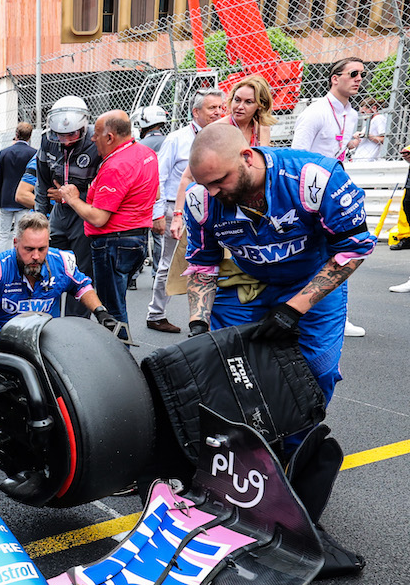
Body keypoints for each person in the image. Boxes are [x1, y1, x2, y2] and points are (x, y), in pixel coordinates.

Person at [182, 123, 375, 404]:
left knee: (317, 370)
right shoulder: (200, 201)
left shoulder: (314, 178)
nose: (212, 192)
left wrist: (294, 309)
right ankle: (241, 435)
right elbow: (202, 267)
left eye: (220, 181)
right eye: (205, 184)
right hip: (247, 279)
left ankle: (298, 444)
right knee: (224, 362)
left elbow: (353, 249)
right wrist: (198, 324)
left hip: (310, 276)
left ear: (247, 157)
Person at [57, 110, 158, 335]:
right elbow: (156, 193)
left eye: (97, 135)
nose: (93, 139)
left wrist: (72, 199)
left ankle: (121, 359)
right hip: (136, 239)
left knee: (112, 310)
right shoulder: (146, 153)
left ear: (110, 137)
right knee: (117, 303)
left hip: (113, 242)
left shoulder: (116, 165)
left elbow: (98, 217)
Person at [292, 57, 367, 338]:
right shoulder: (315, 113)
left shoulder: (352, 114)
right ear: (335, 78)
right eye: (353, 73)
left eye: (362, 74)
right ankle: (302, 311)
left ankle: (336, 315)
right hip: (310, 195)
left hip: (334, 194)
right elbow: (298, 156)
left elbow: (337, 150)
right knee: (312, 255)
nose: (359, 78)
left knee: (342, 253)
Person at [0, 212, 120, 342]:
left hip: (45, 335)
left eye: (42, 249)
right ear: (15, 243)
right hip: (0, 333)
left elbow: (82, 286)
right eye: (29, 249)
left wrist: (101, 312)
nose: (36, 256)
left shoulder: (62, 262)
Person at [150, 88, 228, 334]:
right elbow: (159, 177)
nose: (218, 112)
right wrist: (159, 213)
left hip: (215, 206)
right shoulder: (177, 139)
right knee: (170, 263)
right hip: (179, 208)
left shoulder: (226, 135)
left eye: (220, 107)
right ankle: (156, 314)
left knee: (216, 263)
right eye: (211, 108)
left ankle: (208, 318)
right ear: (196, 112)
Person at [16, 95, 101, 316]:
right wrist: (39, 221)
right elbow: (42, 185)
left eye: (71, 135)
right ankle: (43, 318)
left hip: (83, 214)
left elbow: (103, 185)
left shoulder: (95, 140)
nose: (65, 140)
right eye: (60, 135)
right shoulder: (47, 140)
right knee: (46, 265)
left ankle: (75, 325)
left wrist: (74, 195)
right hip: (58, 214)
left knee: (80, 272)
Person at [134, 104, 170, 294]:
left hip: (142, 197)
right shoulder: (170, 141)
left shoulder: (139, 146)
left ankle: (132, 276)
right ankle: (158, 273)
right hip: (163, 197)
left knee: (140, 236)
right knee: (159, 239)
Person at [0, 122, 37, 253]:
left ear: (16, 134)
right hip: (24, 200)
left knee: (3, 234)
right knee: (18, 235)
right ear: (29, 136)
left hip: (5, 199)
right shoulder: (34, 153)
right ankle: (16, 262)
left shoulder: (4, 153)